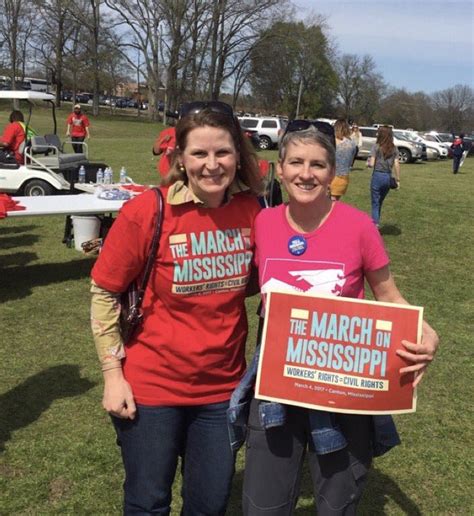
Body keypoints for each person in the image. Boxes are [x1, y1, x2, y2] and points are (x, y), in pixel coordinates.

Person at [229, 120, 439, 516]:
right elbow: (239, 286)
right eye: (295, 162)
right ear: (279, 169)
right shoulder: (263, 223)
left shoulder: (359, 226)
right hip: (277, 386)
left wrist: (426, 333)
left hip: (342, 388)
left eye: (317, 165)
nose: (305, 174)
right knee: (263, 505)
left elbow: (389, 295)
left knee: (336, 505)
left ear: (333, 171)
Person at [90, 100, 263, 515]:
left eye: (222, 152)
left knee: (209, 505)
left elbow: (266, 282)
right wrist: (113, 376)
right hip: (152, 390)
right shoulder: (149, 210)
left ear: (238, 155)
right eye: (199, 153)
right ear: (180, 159)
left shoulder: (254, 211)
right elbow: (103, 292)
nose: (212, 164)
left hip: (222, 392)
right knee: (148, 503)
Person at [369, 125, 400, 227]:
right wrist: (398, 179)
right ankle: (376, 221)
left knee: (375, 203)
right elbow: (396, 164)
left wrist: (368, 163)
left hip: (377, 176)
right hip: (388, 177)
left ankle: (375, 225)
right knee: (380, 202)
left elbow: (372, 164)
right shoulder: (394, 148)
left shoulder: (376, 146)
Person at [330, 119, 356, 200]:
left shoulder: (332, 141)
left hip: (332, 175)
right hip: (344, 176)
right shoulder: (352, 143)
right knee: (335, 201)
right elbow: (351, 161)